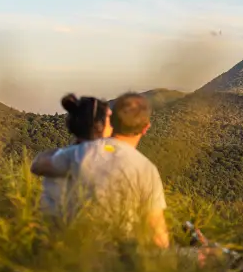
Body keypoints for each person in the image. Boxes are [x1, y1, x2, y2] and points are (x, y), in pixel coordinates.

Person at [31, 92, 169, 249]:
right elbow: (158, 238)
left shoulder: (72, 155)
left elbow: (38, 166)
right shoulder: (145, 168)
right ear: (146, 128)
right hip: (116, 257)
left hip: (61, 249)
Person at [33, 94, 113, 218]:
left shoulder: (64, 155)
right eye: (109, 118)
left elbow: (36, 166)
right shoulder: (96, 155)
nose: (112, 125)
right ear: (99, 125)